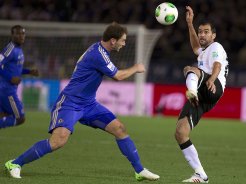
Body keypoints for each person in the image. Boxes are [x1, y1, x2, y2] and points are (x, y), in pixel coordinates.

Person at [4, 22, 159, 181]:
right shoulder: (99, 54)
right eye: (123, 40)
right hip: (70, 102)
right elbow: (118, 76)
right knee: (58, 141)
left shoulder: (99, 49)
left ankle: (139, 170)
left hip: (89, 104)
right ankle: (15, 163)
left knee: (119, 128)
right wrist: (136, 68)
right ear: (113, 40)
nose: (124, 44)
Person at [174, 6, 228, 183]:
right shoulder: (203, 51)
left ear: (213, 35)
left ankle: (191, 91)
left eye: (206, 32)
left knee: (191, 70)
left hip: (214, 86)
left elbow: (217, 66)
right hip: (204, 96)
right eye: (200, 31)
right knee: (181, 132)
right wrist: (190, 24)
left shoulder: (216, 47)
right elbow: (196, 46)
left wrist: (212, 79)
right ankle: (200, 174)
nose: (202, 35)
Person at [0, 25, 39, 129]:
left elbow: (14, 70)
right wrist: (10, 78)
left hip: (8, 89)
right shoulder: (10, 49)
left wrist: (29, 71)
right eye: (18, 33)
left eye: (23, 33)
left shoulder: (19, 50)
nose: (21, 36)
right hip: (6, 90)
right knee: (20, 118)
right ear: (12, 35)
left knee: (4, 115)